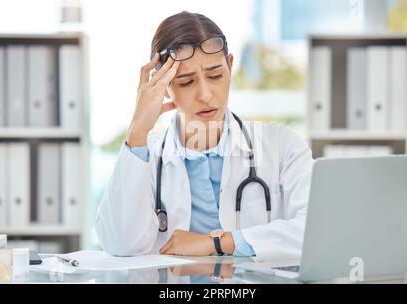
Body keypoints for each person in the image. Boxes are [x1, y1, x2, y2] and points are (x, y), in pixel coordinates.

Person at [96, 11, 314, 261]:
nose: (205, 94)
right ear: (163, 86)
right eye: (186, 82)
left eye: (215, 75)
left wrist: (219, 243)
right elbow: (120, 244)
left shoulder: (282, 146)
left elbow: (317, 229)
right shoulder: (146, 158)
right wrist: (137, 133)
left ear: (230, 66)